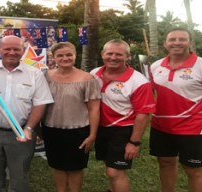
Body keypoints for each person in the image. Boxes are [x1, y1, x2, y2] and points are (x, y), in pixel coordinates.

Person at [0, 35, 54, 192]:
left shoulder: (34, 74)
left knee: (20, 175)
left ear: (23, 50)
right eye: (7, 49)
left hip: (21, 132)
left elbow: (40, 103)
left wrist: (29, 128)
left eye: (16, 49)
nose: (11, 52)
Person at [90, 39, 155, 192]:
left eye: (119, 54)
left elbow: (143, 114)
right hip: (101, 128)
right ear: (102, 54)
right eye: (109, 53)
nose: (113, 57)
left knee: (114, 172)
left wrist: (134, 142)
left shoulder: (139, 81)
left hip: (123, 130)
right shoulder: (94, 74)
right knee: (109, 166)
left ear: (128, 56)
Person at [42, 42, 100, 192]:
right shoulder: (45, 76)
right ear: (53, 57)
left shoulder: (87, 78)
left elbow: (94, 109)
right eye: (60, 55)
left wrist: (92, 135)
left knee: (75, 167)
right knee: (58, 165)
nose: (65, 58)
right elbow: (40, 103)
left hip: (78, 130)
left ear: (75, 55)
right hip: (51, 128)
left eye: (69, 54)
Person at [149, 28, 202, 192]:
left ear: (190, 43)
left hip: (193, 127)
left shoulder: (200, 65)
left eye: (182, 39)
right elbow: (149, 95)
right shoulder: (155, 66)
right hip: (161, 126)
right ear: (165, 44)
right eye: (172, 39)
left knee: (194, 170)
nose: (177, 42)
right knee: (165, 163)